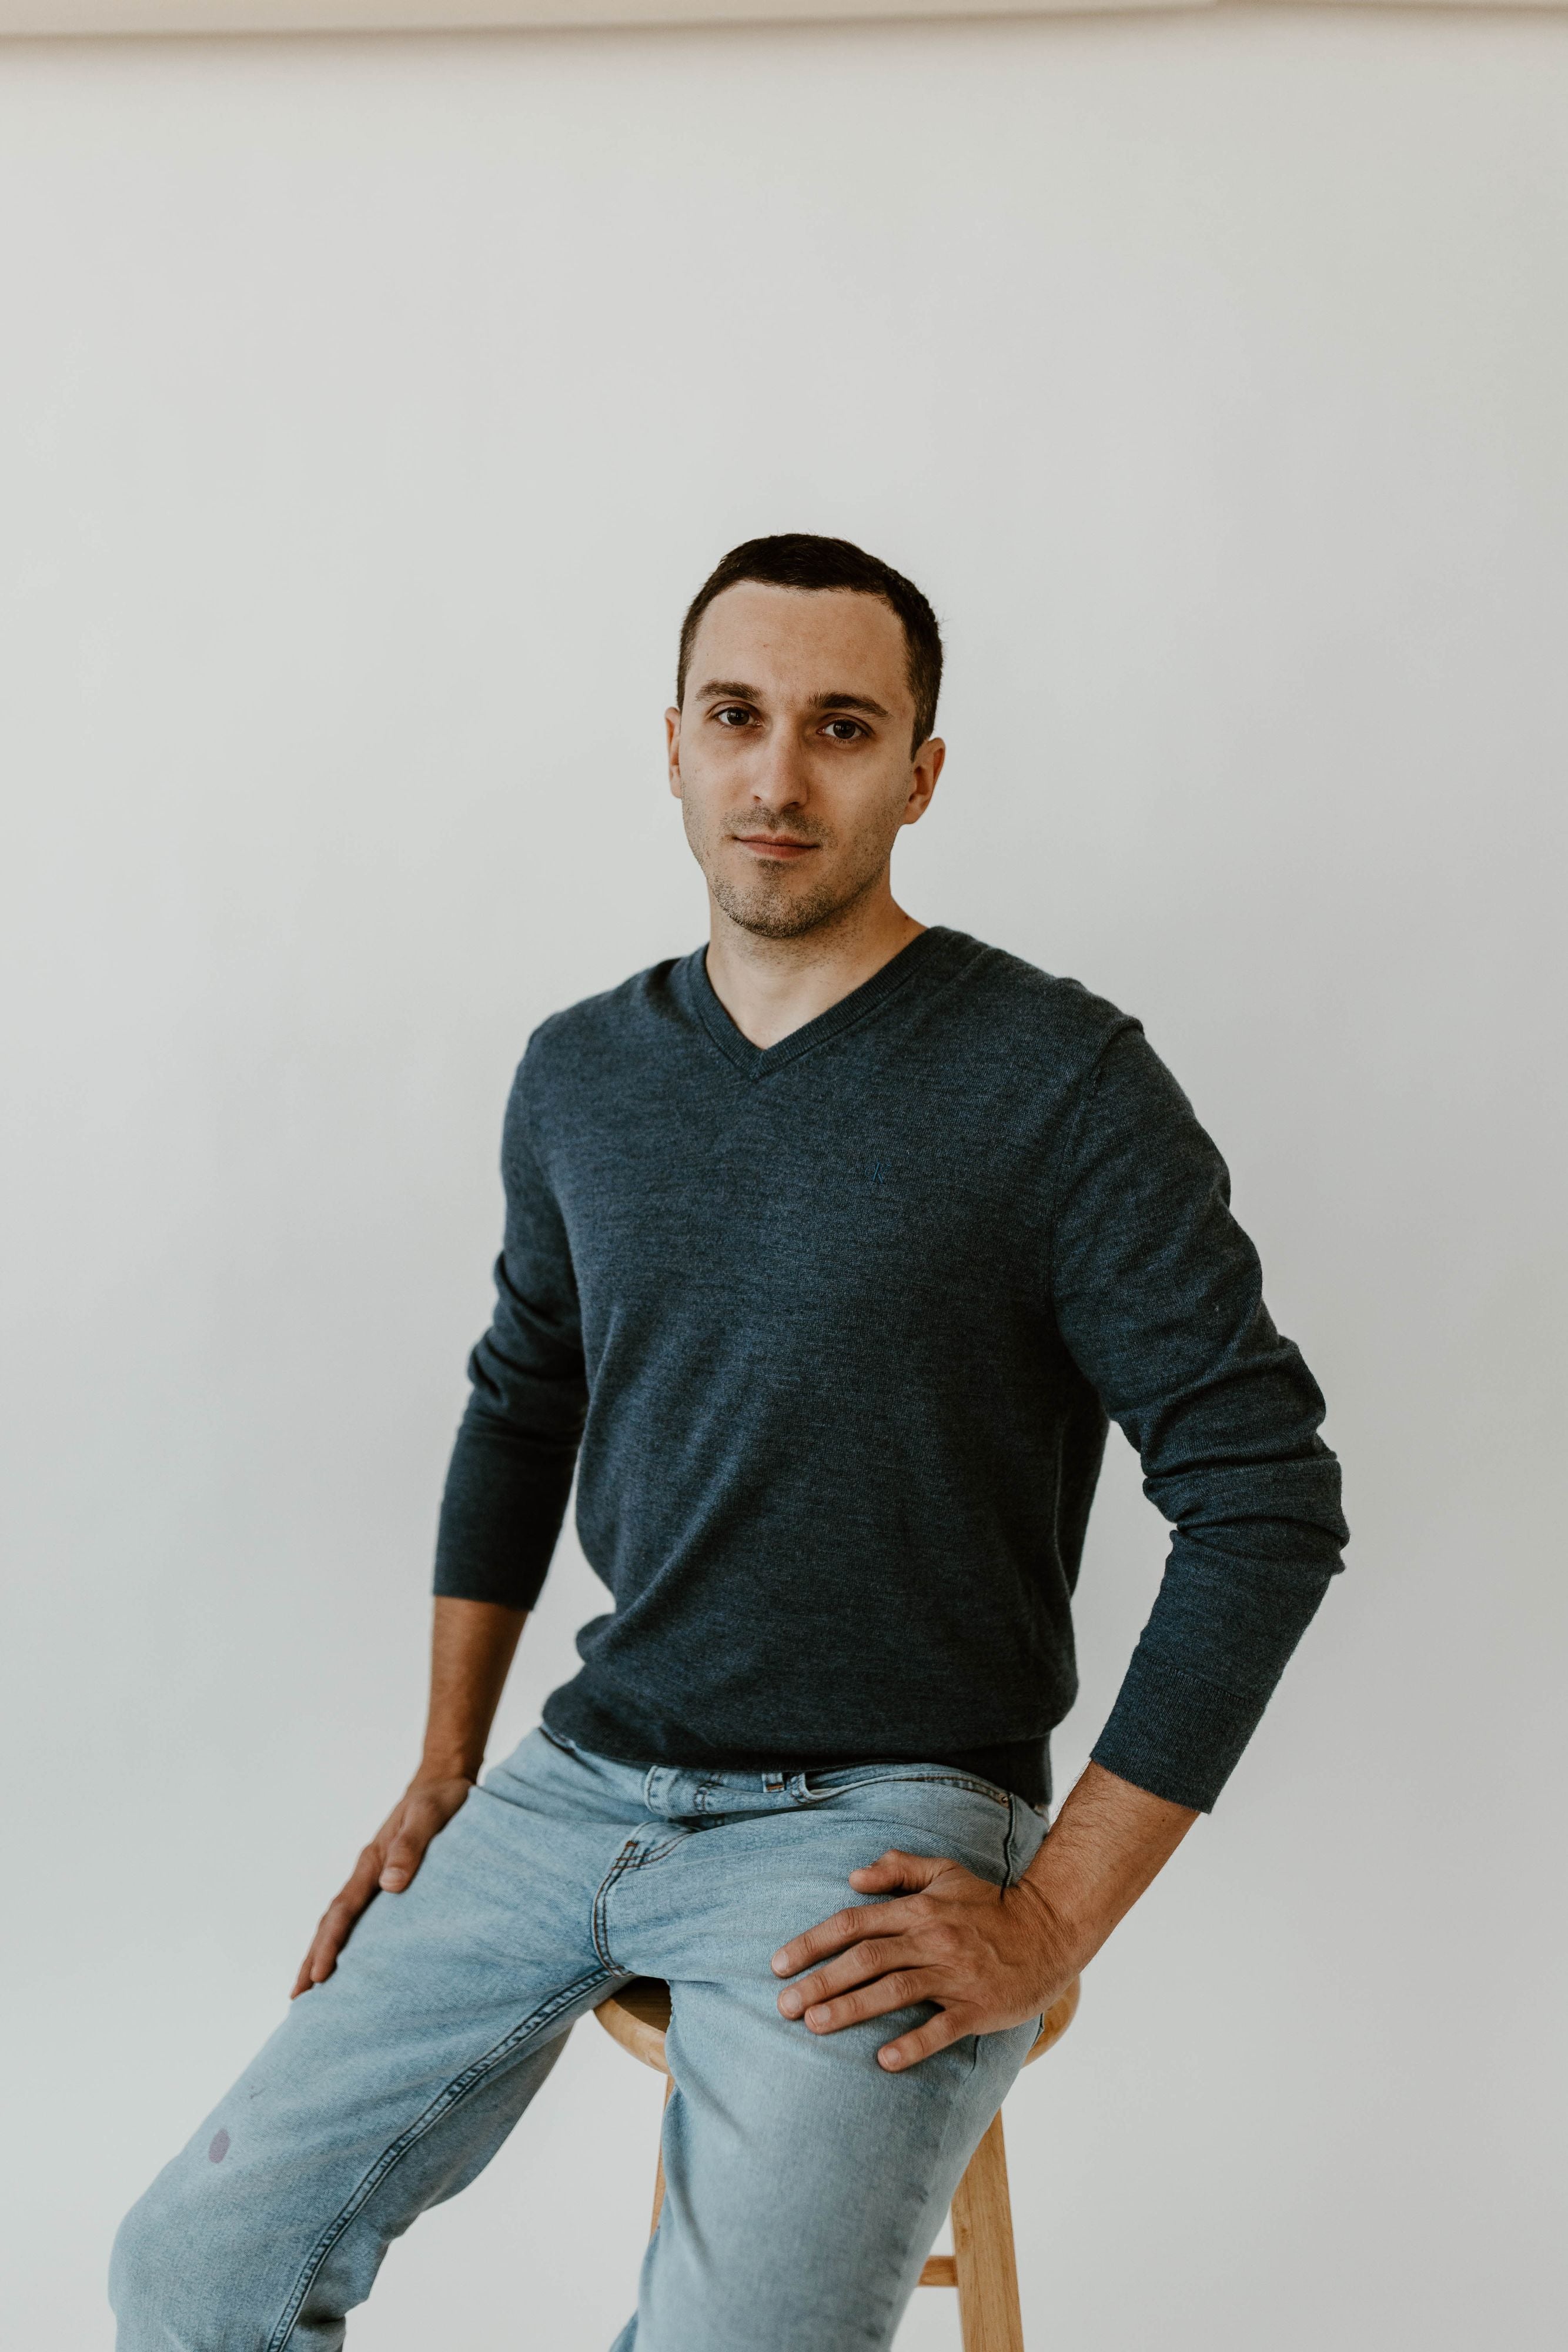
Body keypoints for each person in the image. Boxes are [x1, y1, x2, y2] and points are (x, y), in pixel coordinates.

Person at [111, 533, 1348, 2351]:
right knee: (189, 2268)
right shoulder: (579, 1071)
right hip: (580, 1781)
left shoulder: (1060, 1084)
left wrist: (1052, 1918)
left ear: (920, 773)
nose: (776, 776)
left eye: (840, 727)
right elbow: (521, 1399)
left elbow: (1265, 1501)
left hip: (882, 1820)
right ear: (673, 745)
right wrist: (445, 1766)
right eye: (735, 717)